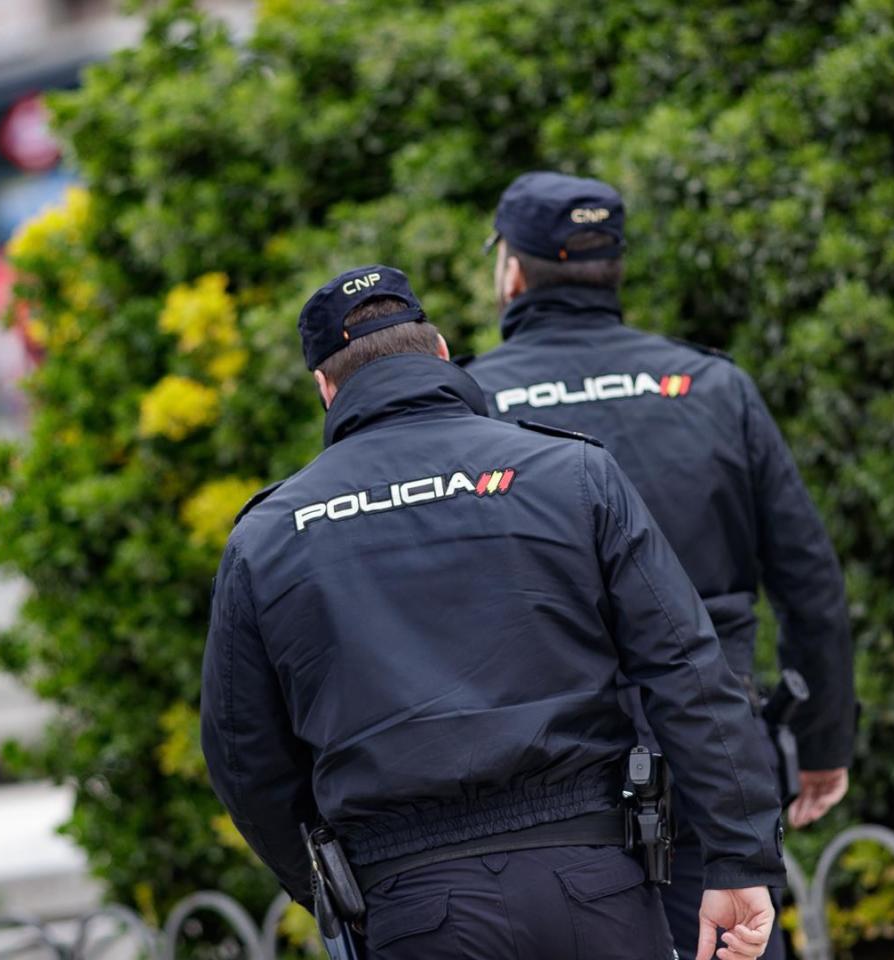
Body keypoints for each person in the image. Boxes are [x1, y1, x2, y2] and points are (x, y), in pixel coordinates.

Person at [201, 264, 785, 960]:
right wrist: (738, 857)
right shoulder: (572, 474)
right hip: (594, 884)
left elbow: (243, 757)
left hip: (413, 904)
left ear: (325, 388)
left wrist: (327, 889)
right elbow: (687, 670)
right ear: (443, 352)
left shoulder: (267, 536)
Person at [465, 171, 858, 960]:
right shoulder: (715, 387)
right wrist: (823, 743)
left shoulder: (469, 410)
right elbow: (810, 585)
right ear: (613, 265)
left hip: (547, 784)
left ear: (512, 271)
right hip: (711, 762)